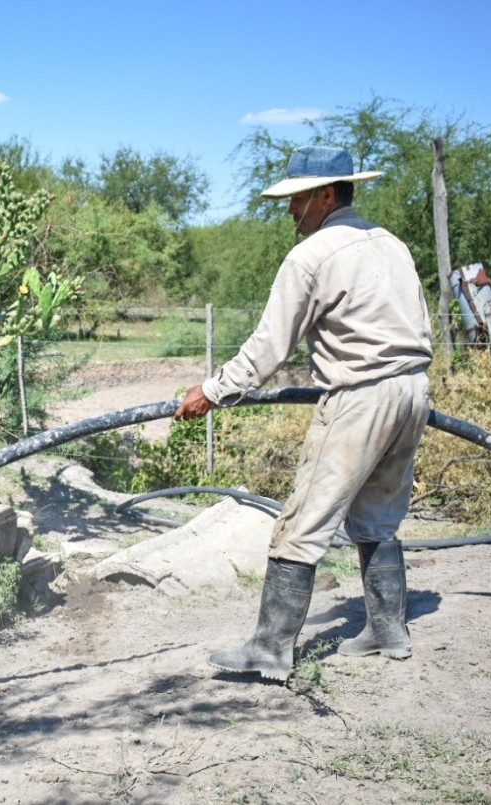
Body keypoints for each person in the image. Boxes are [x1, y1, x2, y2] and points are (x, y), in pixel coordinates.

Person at [174, 145, 433, 682]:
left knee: (302, 522)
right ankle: (389, 630)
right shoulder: (393, 245)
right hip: (412, 391)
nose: (290, 211)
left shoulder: (312, 256)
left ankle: (270, 648)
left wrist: (213, 391)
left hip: (359, 396)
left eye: (296, 199)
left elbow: (269, 347)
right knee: (380, 513)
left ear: (325, 194)